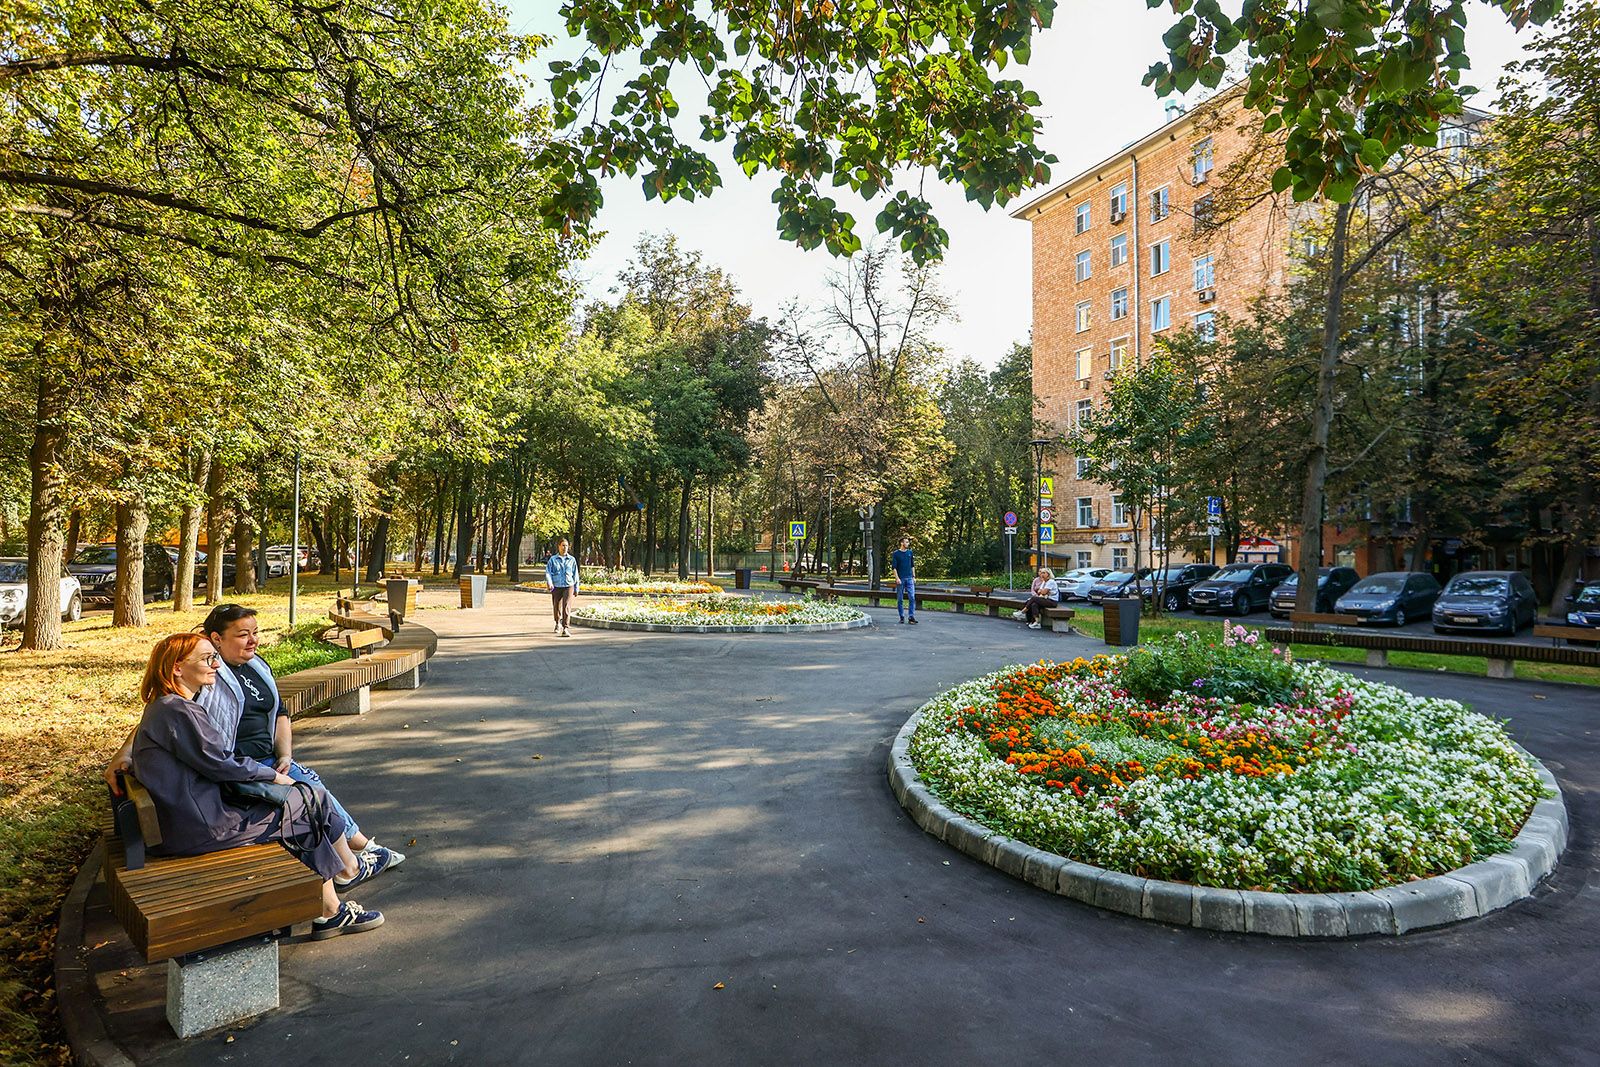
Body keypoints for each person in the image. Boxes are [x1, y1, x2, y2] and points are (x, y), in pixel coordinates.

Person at [104, 605, 404, 884]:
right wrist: (125, 751)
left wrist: (284, 754)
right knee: (309, 798)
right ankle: (350, 868)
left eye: (256, 632)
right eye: (243, 635)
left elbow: (280, 713)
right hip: (231, 781)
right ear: (216, 639)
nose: (253, 641)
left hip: (248, 770)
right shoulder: (203, 681)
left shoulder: (256, 666)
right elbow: (171, 723)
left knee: (308, 792)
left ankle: (349, 866)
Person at [129, 633, 384, 938]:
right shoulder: (177, 711)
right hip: (199, 825)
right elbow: (221, 763)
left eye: (216, 658)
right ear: (176, 668)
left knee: (307, 800)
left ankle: (337, 889)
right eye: (207, 659)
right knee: (303, 808)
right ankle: (332, 905)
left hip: (190, 815)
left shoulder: (169, 706)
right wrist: (274, 776)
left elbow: (217, 761)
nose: (216, 666)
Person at [546, 537, 580, 636]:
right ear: (559, 546)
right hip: (556, 586)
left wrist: (577, 587)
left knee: (566, 606)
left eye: (566, 546)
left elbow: (575, 574)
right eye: (563, 545)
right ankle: (557, 623)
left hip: (568, 585)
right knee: (556, 606)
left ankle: (565, 628)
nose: (565, 547)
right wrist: (550, 582)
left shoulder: (572, 560)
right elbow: (548, 572)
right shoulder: (553, 559)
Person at [890, 535, 917, 625]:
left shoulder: (910, 553)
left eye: (908, 542)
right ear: (902, 543)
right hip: (900, 579)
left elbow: (912, 565)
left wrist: (914, 576)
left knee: (912, 597)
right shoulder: (896, 554)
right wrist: (897, 578)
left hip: (909, 578)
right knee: (900, 599)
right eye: (906, 542)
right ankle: (901, 616)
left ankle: (911, 617)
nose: (907, 544)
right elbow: (894, 567)